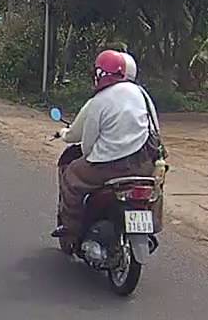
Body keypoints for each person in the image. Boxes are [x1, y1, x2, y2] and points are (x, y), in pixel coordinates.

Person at [53, 50, 163, 238]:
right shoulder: (141, 93)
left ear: (98, 74)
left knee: (71, 175)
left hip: (108, 167)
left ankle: (71, 227)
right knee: (155, 185)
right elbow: (155, 129)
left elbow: (87, 146)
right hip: (143, 164)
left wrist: (89, 156)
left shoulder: (99, 100)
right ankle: (154, 223)